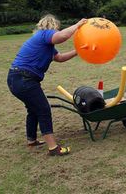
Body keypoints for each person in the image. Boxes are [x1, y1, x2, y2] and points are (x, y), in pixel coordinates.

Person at [7, 14, 87, 156]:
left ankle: (31, 140)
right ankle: (53, 148)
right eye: (57, 28)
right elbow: (62, 37)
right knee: (43, 109)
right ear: (53, 26)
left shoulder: (46, 45)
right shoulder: (44, 35)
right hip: (24, 79)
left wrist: (78, 51)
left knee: (33, 109)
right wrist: (78, 25)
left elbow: (60, 58)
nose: (57, 31)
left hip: (16, 78)